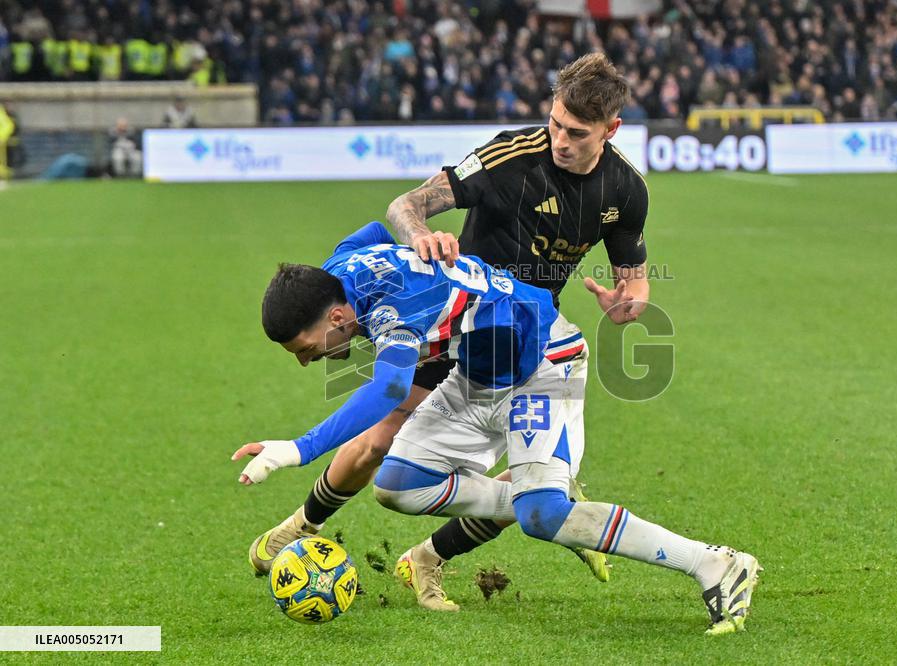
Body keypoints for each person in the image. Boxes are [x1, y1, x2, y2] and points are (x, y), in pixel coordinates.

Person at [241, 53, 649, 610]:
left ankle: (431, 559)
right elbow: (404, 206)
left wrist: (631, 303)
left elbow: (635, 279)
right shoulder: (511, 155)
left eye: (575, 132)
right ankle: (300, 527)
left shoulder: (626, 190)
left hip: (516, 335)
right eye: (553, 122)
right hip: (444, 315)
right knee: (376, 445)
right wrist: (417, 236)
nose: (558, 138)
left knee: (488, 480)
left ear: (610, 130)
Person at [234, 222, 761, 635]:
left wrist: (297, 449)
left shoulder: (395, 310)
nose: (308, 362)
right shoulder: (339, 269)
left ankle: (714, 565)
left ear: (337, 318)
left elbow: (391, 389)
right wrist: (418, 238)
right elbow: (372, 232)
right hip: (479, 375)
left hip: (543, 364)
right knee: (397, 486)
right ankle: (552, 500)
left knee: (541, 516)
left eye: (306, 350)